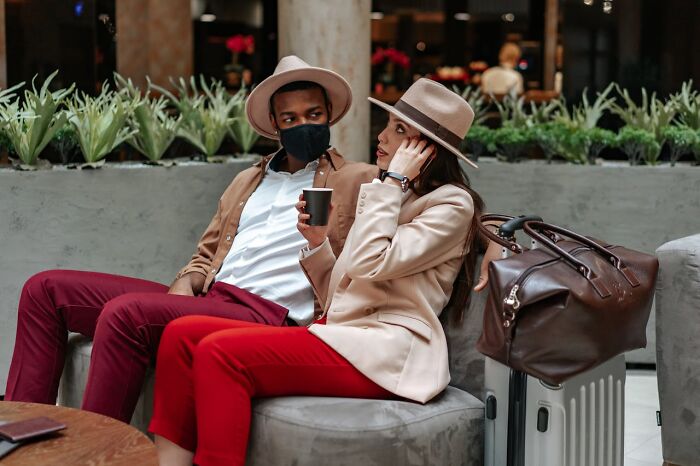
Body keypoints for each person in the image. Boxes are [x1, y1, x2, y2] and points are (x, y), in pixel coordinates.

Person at [4, 55, 377, 423]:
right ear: (275, 126)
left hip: (268, 316)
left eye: (314, 115)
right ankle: (20, 436)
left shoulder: (359, 179)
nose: (304, 126)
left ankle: (97, 453)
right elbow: (205, 255)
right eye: (290, 118)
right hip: (215, 298)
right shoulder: (247, 181)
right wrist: (187, 279)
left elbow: (420, 196)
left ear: (330, 114)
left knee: (126, 315)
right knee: (45, 291)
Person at [148, 78, 487, 466]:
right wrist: (318, 242)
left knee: (221, 354)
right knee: (180, 335)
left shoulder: (448, 204)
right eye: (388, 123)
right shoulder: (393, 194)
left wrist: (393, 183)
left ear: (425, 150)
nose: (381, 136)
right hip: (343, 333)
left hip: (387, 351)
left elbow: (370, 262)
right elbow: (339, 294)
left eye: (398, 131)